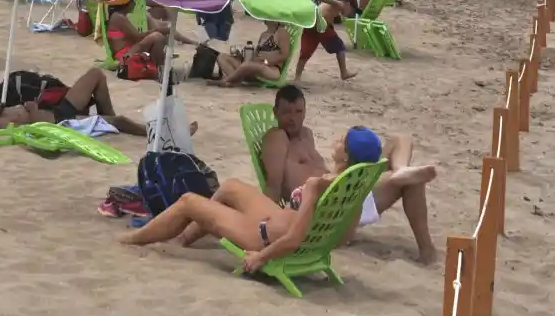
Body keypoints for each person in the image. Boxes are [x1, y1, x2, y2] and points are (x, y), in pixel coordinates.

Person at [118, 125, 388, 271]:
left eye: (342, 140)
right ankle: (183, 238)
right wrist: (317, 241)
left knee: (189, 200)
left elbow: (293, 237)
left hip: (264, 236)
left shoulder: (318, 185)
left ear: (347, 156)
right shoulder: (351, 187)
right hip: (278, 223)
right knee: (231, 187)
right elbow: (345, 237)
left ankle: (132, 240)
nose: (337, 140)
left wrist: (262, 257)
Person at [259, 85, 438, 263]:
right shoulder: (276, 138)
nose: (293, 119)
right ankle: (426, 248)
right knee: (411, 182)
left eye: (298, 112)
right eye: (287, 112)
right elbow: (273, 185)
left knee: (401, 140)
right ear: (275, 113)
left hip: (346, 193)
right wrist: (267, 226)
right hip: (328, 210)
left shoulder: (306, 134)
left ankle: (400, 171)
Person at [0, 67, 148, 134]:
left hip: (57, 109)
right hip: (61, 119)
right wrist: (33, 111)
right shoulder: (1, 122)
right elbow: (31, 131)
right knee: (121, 121)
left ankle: (106, 120)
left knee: (96, 74)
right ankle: (148, 132)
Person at [105, 0, 199, 66]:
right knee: (156, 36)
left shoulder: (119, 16)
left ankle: (158, 64)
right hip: (125, 54)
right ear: (128, 3)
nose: (135, 4)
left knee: (158, 35)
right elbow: (137, 37)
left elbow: (134, 37)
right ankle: (159, 65)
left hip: (128, 50)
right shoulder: (118, 17)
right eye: (133, 1)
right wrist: (157, 30)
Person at [211, 20, 290, 86]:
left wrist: (266, 61)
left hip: (272, 69)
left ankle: (227, 80)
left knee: (247, 65)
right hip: (255, 66)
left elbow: (284, 55)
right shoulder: (264, 34)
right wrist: (241, 57)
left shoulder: (282, 32)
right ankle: (234, 80)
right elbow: (255, 55)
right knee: (222, 57)